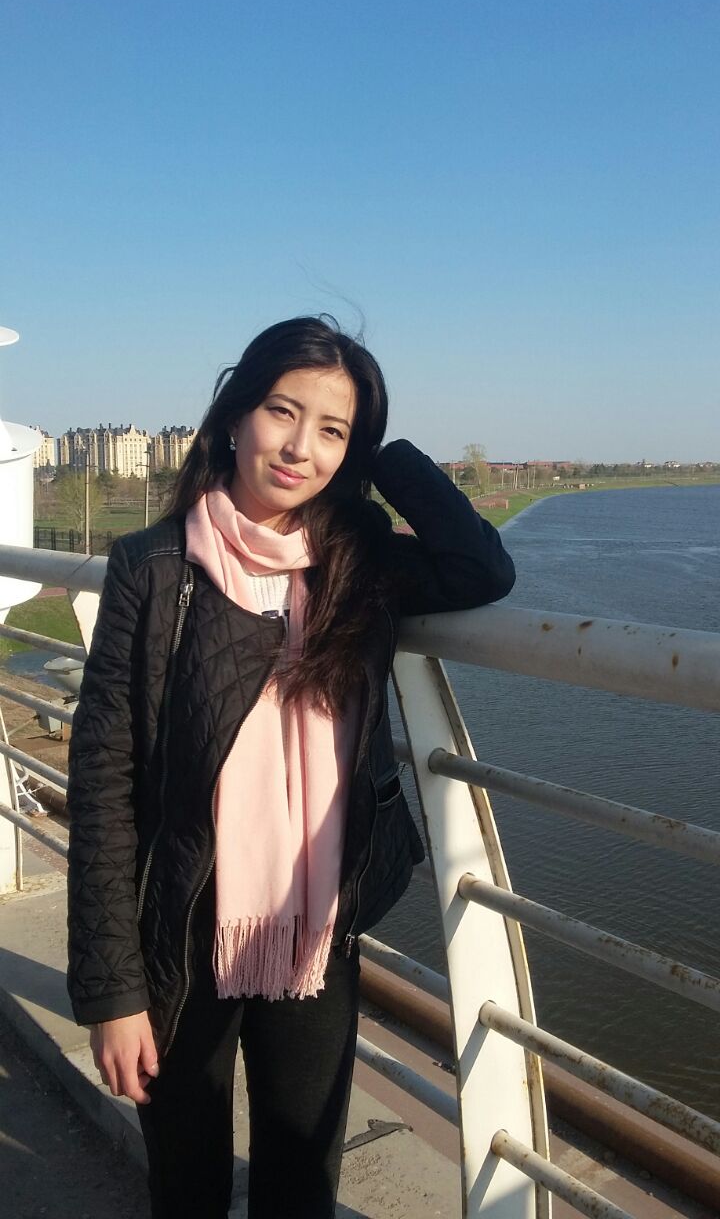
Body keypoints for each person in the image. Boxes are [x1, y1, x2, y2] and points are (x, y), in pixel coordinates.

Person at [66, 315, 516, 1219]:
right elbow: (105, 785)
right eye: (282, 411)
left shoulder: (359, 565)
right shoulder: (152, 569)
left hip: (317, 930)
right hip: (181, 931)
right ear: (235, 414)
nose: (299, 447)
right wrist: (113, 994)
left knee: (302, 1186)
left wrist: (380, 456)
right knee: (186, 1188)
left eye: (332, 430)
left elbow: (481, 569)